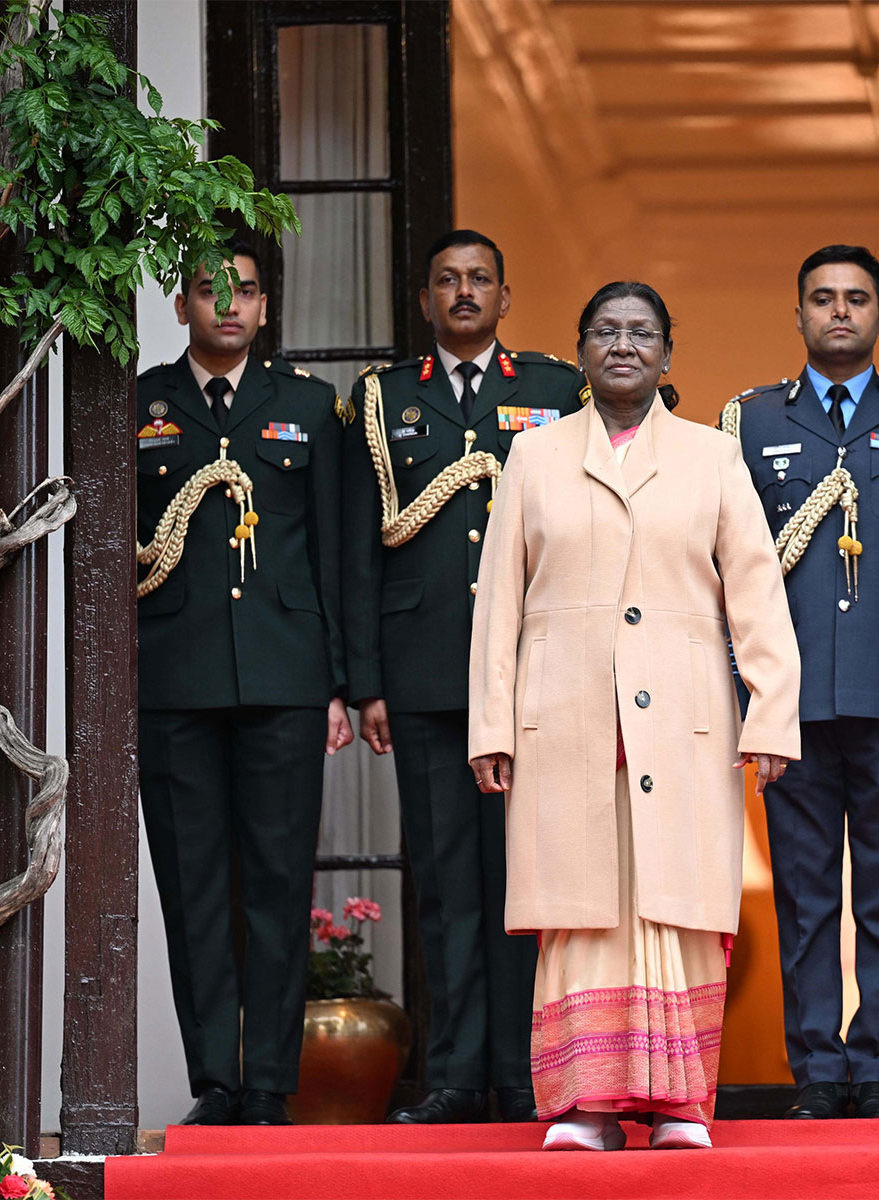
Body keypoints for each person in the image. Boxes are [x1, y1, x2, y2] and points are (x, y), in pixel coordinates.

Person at [468, 281, 801, 1151]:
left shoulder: (710, 458)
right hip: (565, 721)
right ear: (580, 352)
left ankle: (680, 1106)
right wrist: (491, 727)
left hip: (685, 721)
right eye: (605, 331)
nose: (623, 344)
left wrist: (771, 716)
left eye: (641, 332)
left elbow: (759, 595)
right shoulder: (534, 457)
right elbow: (498, 603)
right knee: (581, 910)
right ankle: (585, 1108)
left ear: (666, 355)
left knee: (674, 908)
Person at [343, 230, 586, 1124]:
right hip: (428, 674)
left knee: (530, 879)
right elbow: (358, 548)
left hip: (537, 676)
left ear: (505, 296)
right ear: (425, 301)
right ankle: (452, 1073)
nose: (465, 292)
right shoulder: (382, 401)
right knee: (445, 881)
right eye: (447, 280)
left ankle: (528, 1075)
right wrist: (366, 679)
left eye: (481, 278)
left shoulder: (559, 391)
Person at [721, 245, 879, 1120]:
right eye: (822, 299)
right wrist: (743, 697)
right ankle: (818, 1071)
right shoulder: (749, 424)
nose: (839, 312)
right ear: (797, 315)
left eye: (856, 298)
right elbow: (725, 572)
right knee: (805, 893)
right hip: (789, 701)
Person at [135, 241, 352, 1126]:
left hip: (286, 679)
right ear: (181, 305)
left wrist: (344, 683)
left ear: (266, 309)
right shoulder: (137, 403)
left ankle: (267, 1083)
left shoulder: (307, 405)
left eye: (247, 292)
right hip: (175, 679)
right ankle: (215, 1083)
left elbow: (337, 552)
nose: (229, 305)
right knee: (192, 889)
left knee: (275, 881)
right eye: (209, 291)